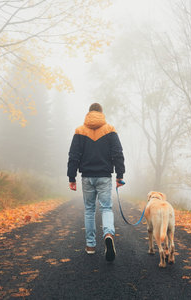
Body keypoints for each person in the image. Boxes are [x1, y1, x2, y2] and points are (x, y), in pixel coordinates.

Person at [67, 103, 125, 262]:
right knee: (106, 208)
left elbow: (73, 155)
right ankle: (108, 234)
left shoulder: (80, 130)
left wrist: (71, 178)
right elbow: (117, 153)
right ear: (101, 112)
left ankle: (90, 246)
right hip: (104, 176)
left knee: (89, 210)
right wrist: (120, 175)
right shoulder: (110, 129)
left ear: (89, 112)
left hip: (87, 176)